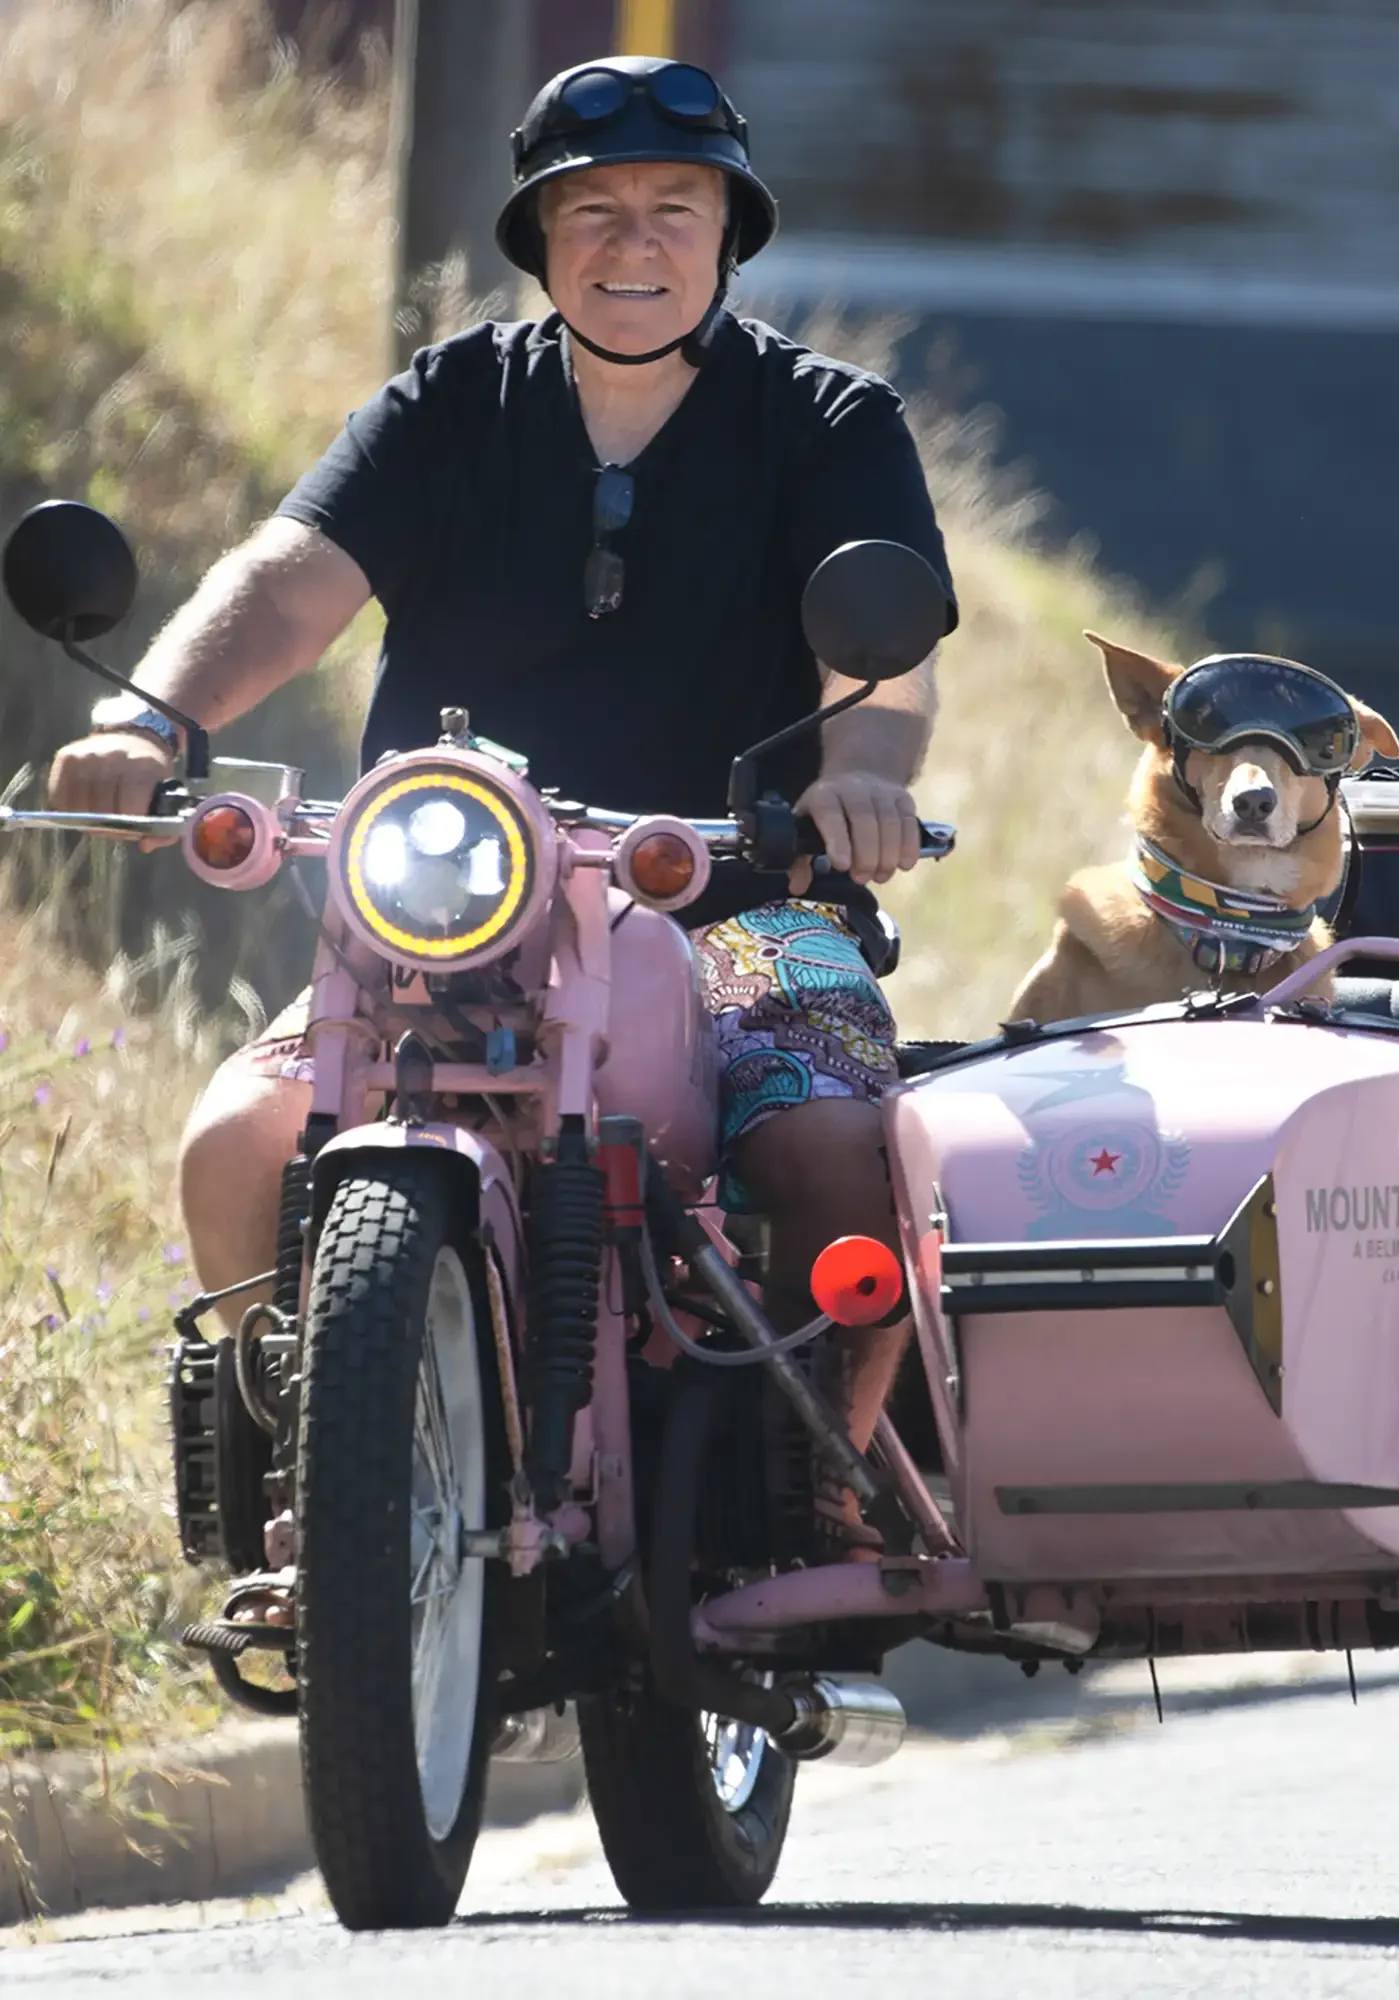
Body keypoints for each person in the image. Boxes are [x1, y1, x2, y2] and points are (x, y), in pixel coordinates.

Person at [44, 54, 954, 1554]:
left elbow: (889, 676)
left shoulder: (831, 423)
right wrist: (152, 713)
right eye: (592, 210)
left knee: (837, 1154)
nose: (636, 241)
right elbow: (290, 583)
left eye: (677, 206)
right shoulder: (452, 402)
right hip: (446, 929)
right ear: (539, 239)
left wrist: (860, 784)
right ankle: (309, 1500)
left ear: (731, 233)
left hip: (741, 908)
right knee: (236, 1140)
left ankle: (827, 1476)